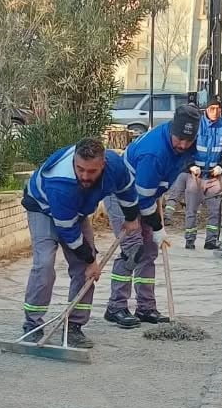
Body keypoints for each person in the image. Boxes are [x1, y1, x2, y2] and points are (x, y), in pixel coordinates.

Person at [20, 137, 134, 349]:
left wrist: (132, 216)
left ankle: (73, 327)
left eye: (92, 171)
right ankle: (32, 325)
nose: (85, 176)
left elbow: (126, 189)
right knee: (44, 264)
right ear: (74, 160)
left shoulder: (115, 165)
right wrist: (91, 259)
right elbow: (69, 232)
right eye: (80, 169)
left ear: (103, 164)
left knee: (84, 271)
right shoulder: (61, 182)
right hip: (42, 207)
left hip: (76, 210)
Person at [104, 103, 200, 327]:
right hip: (121, 194)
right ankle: (115, 307)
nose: (183, 145)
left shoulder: (185, 144)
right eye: (179, 139)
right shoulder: (154, 152)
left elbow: (190, 159)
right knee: (133, 249)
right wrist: (158, 228)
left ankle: (145, 308)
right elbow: (144, 200)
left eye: (189, 141)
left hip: (147, 191)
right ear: (171, 130)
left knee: (149, 251)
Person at [169, 94, 222, 250]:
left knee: (215, 211)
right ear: (206, 109)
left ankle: (211, 241)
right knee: (191, 210)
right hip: (196, 175)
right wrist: (191, 165)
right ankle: (190, 241)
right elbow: (184, 148)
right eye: (212, 109)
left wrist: (221, 165)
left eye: (218, 109)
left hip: (213, 175)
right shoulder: (197, 124)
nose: (215, 112)